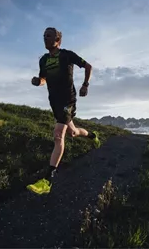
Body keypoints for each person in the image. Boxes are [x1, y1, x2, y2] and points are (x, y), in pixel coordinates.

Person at [26, 27, 101, 195]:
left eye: (49, 35)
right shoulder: (43, 60)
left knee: (58, 134)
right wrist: (38, 81)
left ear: (58, 40)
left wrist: (85, 85)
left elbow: (88, 66)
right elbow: (44, 79)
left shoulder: (67, 55)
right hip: (55, 101)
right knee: (72, 133)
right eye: (44, 35)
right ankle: (92, 136)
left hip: (69, 100)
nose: (45, 38)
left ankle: (48, 180)